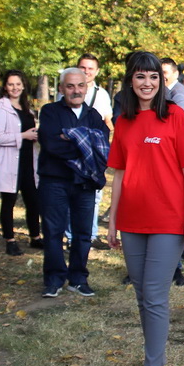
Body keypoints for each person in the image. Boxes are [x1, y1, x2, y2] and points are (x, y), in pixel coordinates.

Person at [107, 51, 184, 366]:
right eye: (140, 77)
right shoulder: (124, 121)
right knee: (142, 296)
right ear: (130, 81)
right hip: (131, 220)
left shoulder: (175, 115)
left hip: (168, 221)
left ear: (161, 82)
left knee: (155, 296)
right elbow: (118, 174)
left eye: (153, 77)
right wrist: (112, 219)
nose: (147, 83)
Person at [38, 67, 109, 298]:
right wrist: (85, 142)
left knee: (82, 233)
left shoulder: (95, 116)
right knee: (53, 231)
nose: (76, 90)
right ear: (61, 89)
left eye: (80, 85)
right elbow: (51, 145)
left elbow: (101, 149)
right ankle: (54, 279)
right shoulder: (49, 112)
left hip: (85, 183)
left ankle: (78, 278)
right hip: (54, 181)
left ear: (86, 87)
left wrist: (70, 137)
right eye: (70, 86)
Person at [0, 70, 42, 256]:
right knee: (9, 201)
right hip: (10, 162)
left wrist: (35, 136)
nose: (15, 88)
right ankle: (10, 240)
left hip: (28, 160)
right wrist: (23, 136)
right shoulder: (1, 107)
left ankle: (35, 237)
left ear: (23, 85)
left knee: (33, 200)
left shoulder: (26, 107)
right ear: (5, 86)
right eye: (11, 84)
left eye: (18, 84)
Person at [161, 57, 184, 285]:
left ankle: (175, 266)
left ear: (176, 73)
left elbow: (175, 129)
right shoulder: (169, 92)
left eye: (165, 71)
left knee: (178, 214)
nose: (161, 76)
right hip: (174, 162)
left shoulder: (179, 95)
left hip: (180, 162)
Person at [77, 54, 112, 250]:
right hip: (73, 152)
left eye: (90, 68)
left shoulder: (102, 95)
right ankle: (72, 236)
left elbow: (108, 122)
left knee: (95, 194)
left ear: (96, 71)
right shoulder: (67, 89)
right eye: (83, 67)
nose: (86, 71)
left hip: (95, 154)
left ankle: (91, 234)